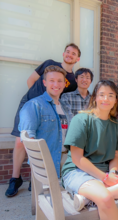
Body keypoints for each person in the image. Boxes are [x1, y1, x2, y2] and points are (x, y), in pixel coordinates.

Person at [61, 80, 118, 219]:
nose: (105, 99)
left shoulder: (116, 124)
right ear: (95, 97)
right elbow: (77, 158)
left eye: (110, 95)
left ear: (115, 100)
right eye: (101, 94)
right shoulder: (81, 119)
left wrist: (112, 172)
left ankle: (88, 199)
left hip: (105, 171)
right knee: (105, 198)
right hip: (78, 172)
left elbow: (115, 156)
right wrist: (105, 178)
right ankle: (99, 195)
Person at [6, 43, 81, 197]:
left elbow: (61, 96)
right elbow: (31, 81)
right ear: (63, 53)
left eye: (73, 53)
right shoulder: (49, 64)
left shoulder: (73, 81)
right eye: (67, 52)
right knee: (21, 141)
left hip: (50, 112)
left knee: (47, 140)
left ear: (77, 58)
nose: (69, 55)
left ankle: (37, 178)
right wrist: (35, 104)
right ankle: (15, 178)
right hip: (32, 104)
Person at [18, 65, 73, 179]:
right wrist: (41, 166)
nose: (56, 85)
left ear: (64, 84)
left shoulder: (66, 108)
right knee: (46, 196)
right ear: (45, 83)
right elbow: (28, 140)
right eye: (51, 81)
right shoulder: (34, 105)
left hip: (66, 162)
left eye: (59, 81)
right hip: (46, 163)